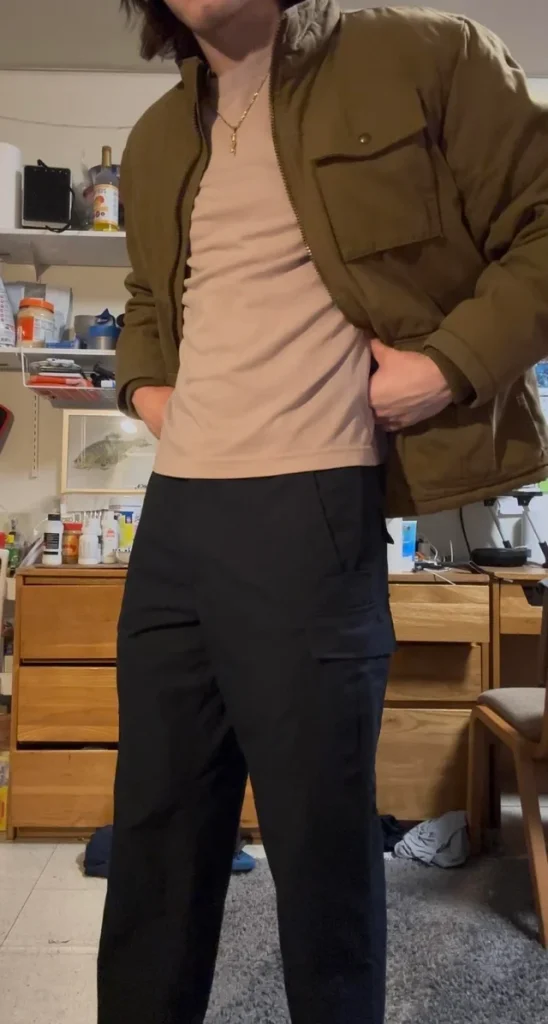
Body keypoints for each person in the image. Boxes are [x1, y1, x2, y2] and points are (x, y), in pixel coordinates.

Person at [98, 2, 548, 1022]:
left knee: (318, 852)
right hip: (174, 520)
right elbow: (147, 299)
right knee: (154, 843)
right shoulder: (159, 134)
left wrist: (448, 366)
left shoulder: (423, 53)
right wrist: (146, 390)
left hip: (311, 503)